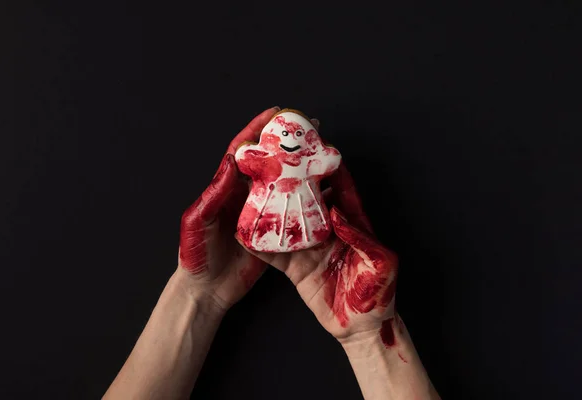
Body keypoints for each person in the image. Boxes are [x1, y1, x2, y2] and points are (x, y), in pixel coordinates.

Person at [104, 107, 441, 400]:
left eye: (297, 133)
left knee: (307, 223)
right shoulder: (261, 158)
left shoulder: (313, 160)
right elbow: (248, 158)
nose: (290, 137)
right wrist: (198, 291)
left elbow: (328, 158)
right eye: (284, 132)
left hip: (309, 218)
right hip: (260, 219)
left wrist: (369, 334)